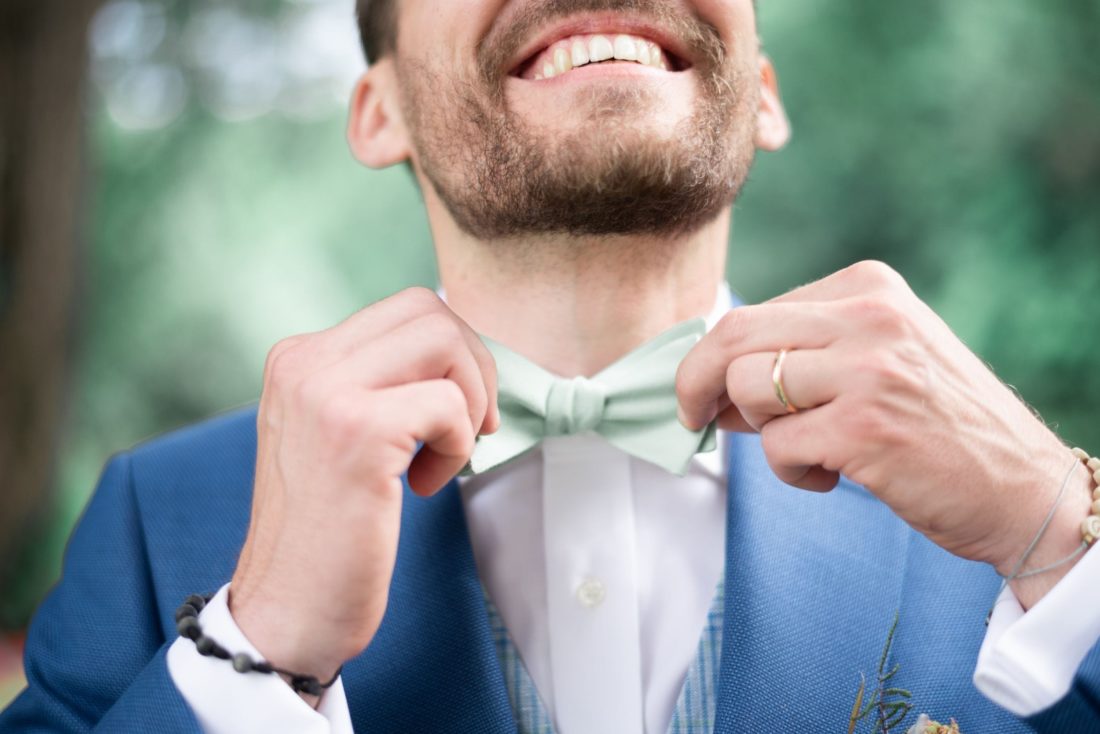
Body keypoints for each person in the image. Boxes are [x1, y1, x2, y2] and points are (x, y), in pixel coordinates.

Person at [2, 0, 1099, 731]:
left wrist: (1064, 545)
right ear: (378, 111)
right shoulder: (154, 522)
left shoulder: (1015, 514)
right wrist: (252, 659)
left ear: (761, 92)